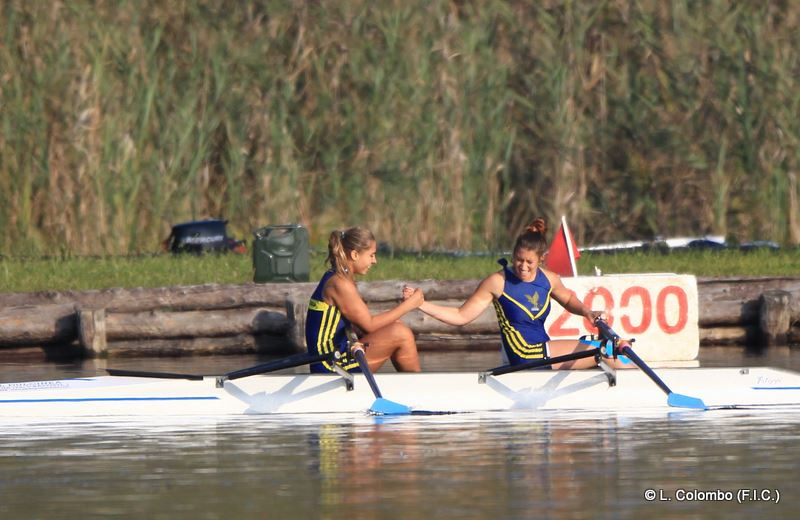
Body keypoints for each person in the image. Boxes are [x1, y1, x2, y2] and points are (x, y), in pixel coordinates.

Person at [403, 218, 630, 369]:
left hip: (542, 349)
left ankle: (625, 391)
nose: (523, 266)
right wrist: (421, 304)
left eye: (529, 262)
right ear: (513, 255)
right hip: (523, 354)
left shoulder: (549, 279)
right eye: (518, 260)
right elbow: (461, 316)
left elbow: (569, 299)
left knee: (608, 345)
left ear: (541, 259)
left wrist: (587, 312)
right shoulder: (497, 282)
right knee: (606, 350)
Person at [306, 227, 424, 374]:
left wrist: (392, 322)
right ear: (355, 255)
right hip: (330, 366)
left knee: (396, 326)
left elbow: (361, 325)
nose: (375, 261)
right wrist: (409, 305)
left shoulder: (338, 276)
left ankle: (412, 382)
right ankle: (417, 384)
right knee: (401, 334)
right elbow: (370, 325)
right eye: (371, 255)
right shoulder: (340, 284)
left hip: (340, 354)